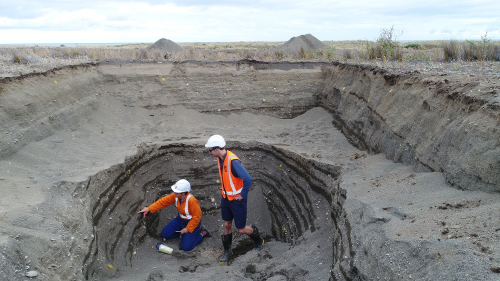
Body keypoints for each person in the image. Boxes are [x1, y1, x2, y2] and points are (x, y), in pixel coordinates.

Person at [205, 135, 264, 263]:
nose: (209, 152)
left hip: (237, 201)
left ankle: (258, 239)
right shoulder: (220, 158)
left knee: (241, 229)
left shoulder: (233, 161)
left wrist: (242, 195)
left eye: (210, 150)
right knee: (227, 224)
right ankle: (228, 251)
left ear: (216, 149)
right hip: (226, 198)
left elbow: (247, 179)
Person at [138, 179, 211, 252]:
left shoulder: (192, 201)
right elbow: (163, 202)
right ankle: (185, 236)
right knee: (164, 234)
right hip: (180, 220)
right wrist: (149, 209)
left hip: (192, 223)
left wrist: (187, 229)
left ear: (183, 193)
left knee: (185, 248)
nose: (174, 193)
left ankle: (202, 234)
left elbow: (197, 217)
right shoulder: (176, 196)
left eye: (177, 192)